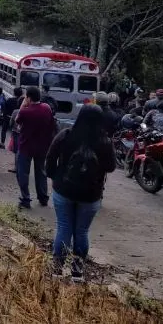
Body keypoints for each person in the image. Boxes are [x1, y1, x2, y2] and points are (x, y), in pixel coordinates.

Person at [45, 105, 116, 282]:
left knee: (64, 227)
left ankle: (57, 269)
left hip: (63, 190)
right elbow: (111, 167)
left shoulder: (66, 135)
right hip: (91, 194)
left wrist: (54, 176)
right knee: (82, 231)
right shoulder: (105, 142)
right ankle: (77, 272)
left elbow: (50, 158)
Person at [15, 87, 56, 209]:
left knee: (22, 173)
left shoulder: (25, 111)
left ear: (28, 97)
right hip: (43, 146)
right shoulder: (46, 108)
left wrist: (23, 105)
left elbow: (17, 120)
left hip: (26, 146)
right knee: (41, 172)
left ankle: (25, 198)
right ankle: (43, 198)